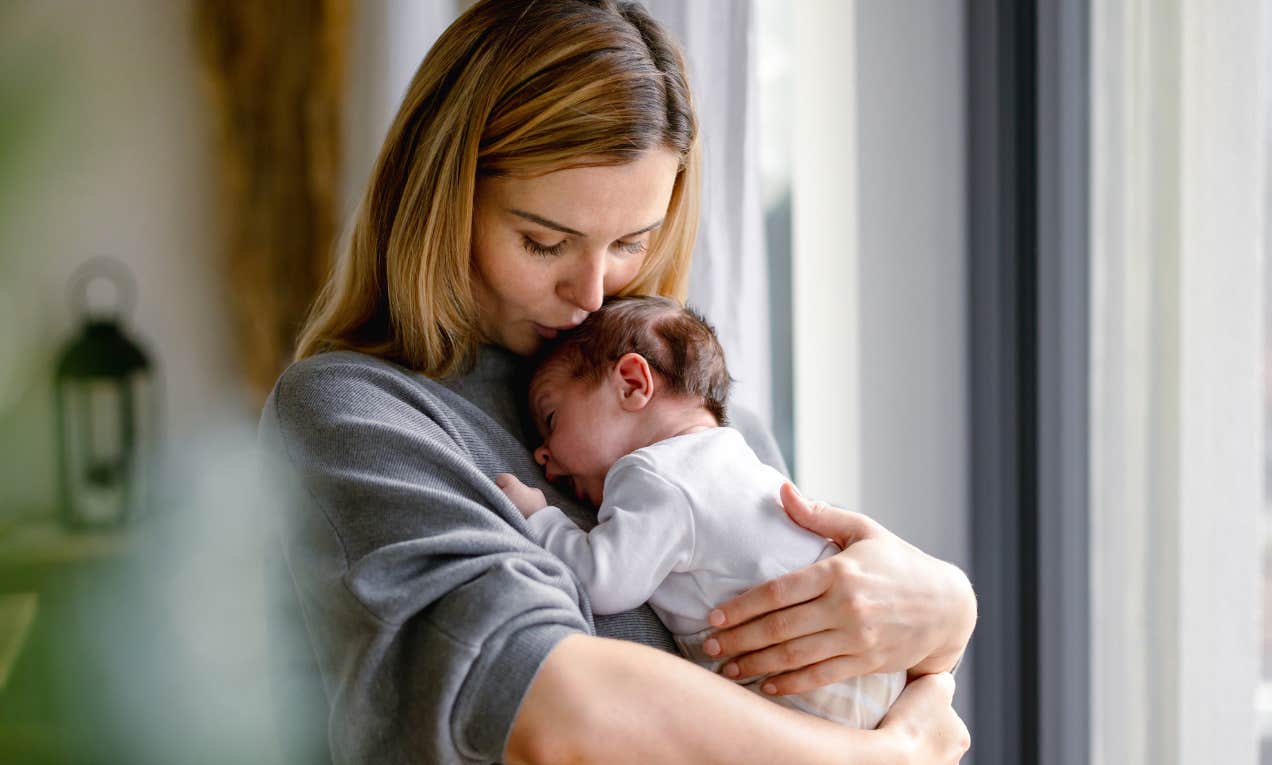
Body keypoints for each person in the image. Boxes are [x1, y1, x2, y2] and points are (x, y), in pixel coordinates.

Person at [257, 1, 976, 763]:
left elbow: (824, 684)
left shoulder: (712, 426)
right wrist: (887, 757)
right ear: (441, 200)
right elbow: (556, 707)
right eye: (544, 241)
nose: (593, 293)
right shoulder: (357, 416)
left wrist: (947, 611)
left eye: (631, 242)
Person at [494, 295, 909, 729]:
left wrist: (540, 519)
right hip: (862, 662)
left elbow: (603, 582)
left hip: (809, 681)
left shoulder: (656, 475)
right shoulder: (732, 455)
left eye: (552, 417)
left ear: (633, 384)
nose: (542, 454)